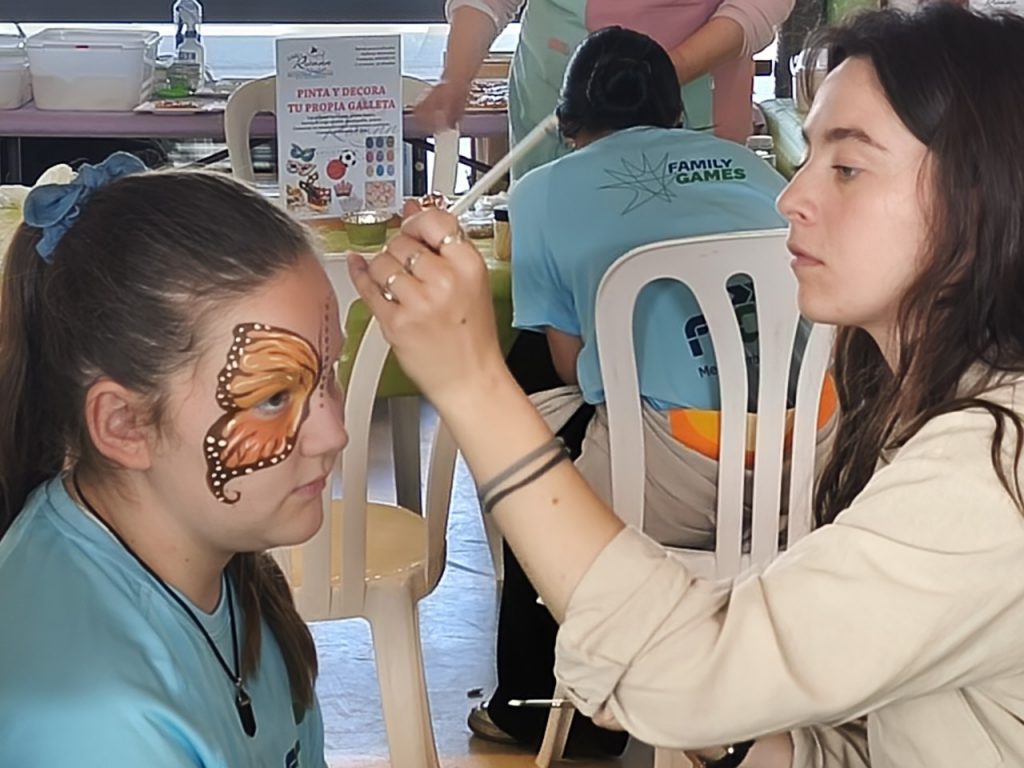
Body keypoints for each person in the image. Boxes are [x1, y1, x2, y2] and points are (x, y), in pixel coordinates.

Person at [351, 5, 1024, 765]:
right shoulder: (925, 419)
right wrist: (718, 721)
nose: (791, 199)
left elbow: (683, 672)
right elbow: (885, 738)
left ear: (983, 196)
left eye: (847, 167)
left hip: (669, 463)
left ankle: (527, 699)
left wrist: (473, 383)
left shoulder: (990, 470)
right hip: (796, 443)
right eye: (807, 156)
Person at [474, 25, 795, 755]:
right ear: (676, 113)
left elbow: (569, 367)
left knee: (521, 464)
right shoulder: (757, 171)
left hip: (667, 475)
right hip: (809, 459)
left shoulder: (540, 192)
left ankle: (542, 707)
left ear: (566, 124)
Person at [0, 154, 346, 766]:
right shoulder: (95, 723)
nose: (333, 433)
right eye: (273, 398)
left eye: (330, 373)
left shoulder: (227, 566)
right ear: (125, 424)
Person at [416, 0, 794, 179]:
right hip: (554, 94)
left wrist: (658, 74)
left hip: (697, 100)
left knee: (689, 257)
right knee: (555, 248)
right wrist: (456, 77)